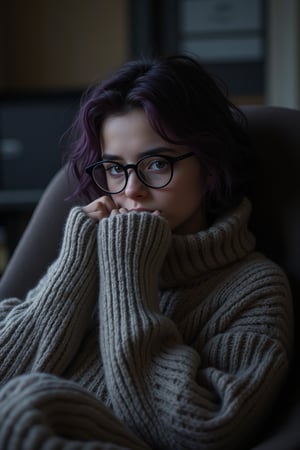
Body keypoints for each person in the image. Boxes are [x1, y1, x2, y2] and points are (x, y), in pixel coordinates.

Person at [0, 54, 294, 450]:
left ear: (209, 165)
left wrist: (128, 269)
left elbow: (202, 430)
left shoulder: (255, 288)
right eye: (115, 168)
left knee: (25, 408)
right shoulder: (90, 253)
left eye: (156, 163)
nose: (131, 191)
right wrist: (74, 262)